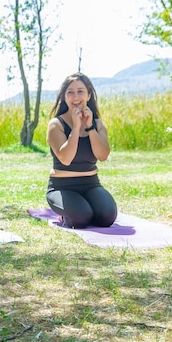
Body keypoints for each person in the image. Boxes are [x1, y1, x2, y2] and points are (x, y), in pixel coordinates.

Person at [46, 72, 117, 228]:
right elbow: (65, 158)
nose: (75, 97)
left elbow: (103, 155)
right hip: (62, 187)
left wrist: (89, 126)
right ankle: (66, 215)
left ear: (89, 95)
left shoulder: (98, 124)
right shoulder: (56, 124)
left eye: (80, 91)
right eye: (70, 92)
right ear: (64, 97)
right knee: (81, 218)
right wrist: (76, 127)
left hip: (91, 185)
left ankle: (86, 207)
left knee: (107, 217)